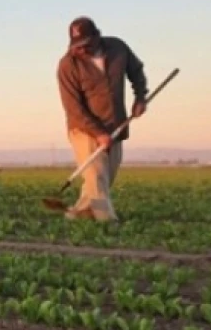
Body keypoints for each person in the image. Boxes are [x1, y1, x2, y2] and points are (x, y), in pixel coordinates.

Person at [56, 16, 147, 222]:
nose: (81, 50)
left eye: (85, 45)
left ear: (97, 36)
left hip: (115, 125)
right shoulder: (67, 65)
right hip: (84, 129)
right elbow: (73, 108)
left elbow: (136, 71)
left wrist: (140, 97)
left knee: (103, 179)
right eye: (77, 46)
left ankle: (79, 214)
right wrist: (98, 133)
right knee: (96, 175)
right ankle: (108, 222)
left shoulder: (118, 48)